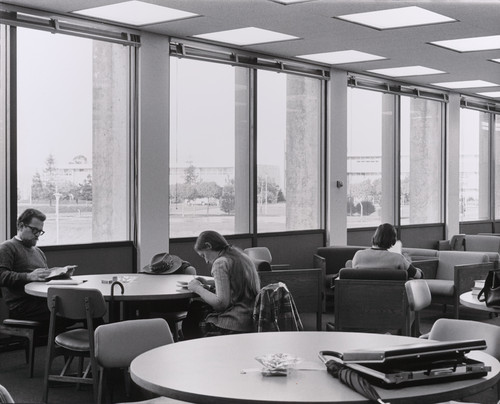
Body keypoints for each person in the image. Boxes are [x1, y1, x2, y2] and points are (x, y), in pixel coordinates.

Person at [0, 208, 75, 324]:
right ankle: (100, 340)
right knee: (81, 309)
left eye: (40, 231)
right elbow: (2, 276)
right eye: (34, 230)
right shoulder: (7, 247)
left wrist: (60, 275)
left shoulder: (38, 252)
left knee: (87, 306)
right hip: (23, 306)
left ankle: (100, 339)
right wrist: (28, 276)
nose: (37, 235)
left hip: (42, 301)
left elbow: (42, 279)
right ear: (21, 226)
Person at [183, 230, 260, 339]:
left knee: (192, 315)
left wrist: (197, 288)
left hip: (232, 324)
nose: (206, 261)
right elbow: (238, 284)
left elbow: (221, 303)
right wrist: (210, 283)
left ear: (208, 246)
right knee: (196, 308)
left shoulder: (220, 263)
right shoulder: (242, 257)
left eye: (203, 255)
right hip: (250, 320)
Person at [351, 223, 423, 279]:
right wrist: (408, 263)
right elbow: (419, 276)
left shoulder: (358, 255)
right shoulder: (398, 259)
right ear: (393, 240)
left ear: (374, 237)